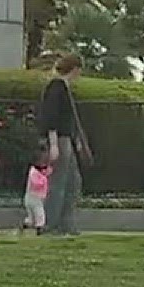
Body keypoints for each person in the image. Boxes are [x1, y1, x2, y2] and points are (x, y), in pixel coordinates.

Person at [37, 53, 91, 237]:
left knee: (72, 182)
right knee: (58, 182)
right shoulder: (57, 87)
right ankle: (52, 224)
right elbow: (52, 117)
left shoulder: (63, 87)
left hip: (65, 138)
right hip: (60, 139)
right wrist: (54, 145)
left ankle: (65, 223)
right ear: (75, 69)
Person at [22, 154, 51, 234]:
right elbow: (37, 184)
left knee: (32, 216)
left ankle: (27, 225)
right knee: (39, 212)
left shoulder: (36, 172)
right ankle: (40, 228)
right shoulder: (34, 173)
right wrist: (45, 177)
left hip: (34, 197)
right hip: (34, 197)